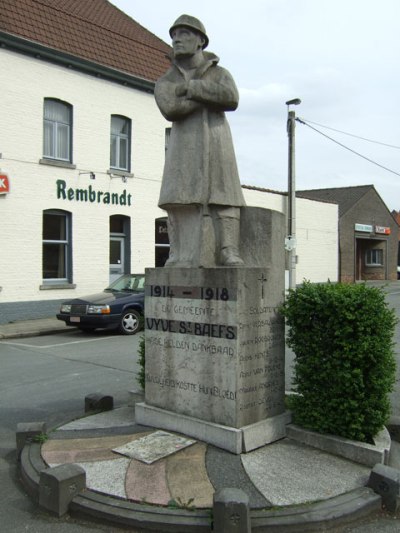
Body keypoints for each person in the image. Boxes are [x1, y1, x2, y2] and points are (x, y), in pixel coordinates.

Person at [155, 14, 246, 267]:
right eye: (174, 35)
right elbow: (171, 108)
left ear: (200, 41)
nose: (176, 39)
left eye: (185, 34)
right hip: (183, 146)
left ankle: (228, 250)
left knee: (224, 194)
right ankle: (178, 253)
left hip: (217, 141)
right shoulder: (166, 80)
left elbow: (231, 98)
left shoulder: (219, 73)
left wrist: (193, 89)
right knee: (177, 198)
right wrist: (205, 97)